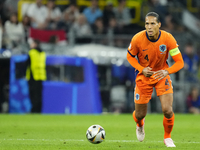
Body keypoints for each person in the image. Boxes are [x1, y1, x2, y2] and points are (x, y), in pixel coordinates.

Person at [127, 12, 184, 147]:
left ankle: (167, 137)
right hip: (144, 77)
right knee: (140, 114)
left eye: (152, 23)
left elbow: (179, 62)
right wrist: (142, 69)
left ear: (159, 25)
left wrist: (167, 71)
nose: (149, 27)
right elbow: (130, 57)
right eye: (147, 23)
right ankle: (140, 124)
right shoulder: (137, 39)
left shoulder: (168, 38)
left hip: (161, 76)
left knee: (167, 110)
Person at [26, 39, 46, 113]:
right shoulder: (42, 53)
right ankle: (39, 110)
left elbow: (27, 64)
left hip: (33, 76)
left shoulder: (32, 52)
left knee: (33, 94)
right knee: (39, 95)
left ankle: (34, 110)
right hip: (41, 76)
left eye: (32, 44)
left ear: (35, 44)